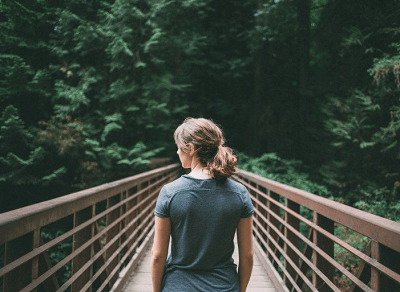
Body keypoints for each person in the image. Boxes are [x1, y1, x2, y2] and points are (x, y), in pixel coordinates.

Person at [151, 118, 254, 292]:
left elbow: (158, 256)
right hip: (224, 287)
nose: (177, 152)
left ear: (190, 149)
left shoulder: (170, 192)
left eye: (178, 146)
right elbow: (247, 256)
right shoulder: (239, 193)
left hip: (178, 287)